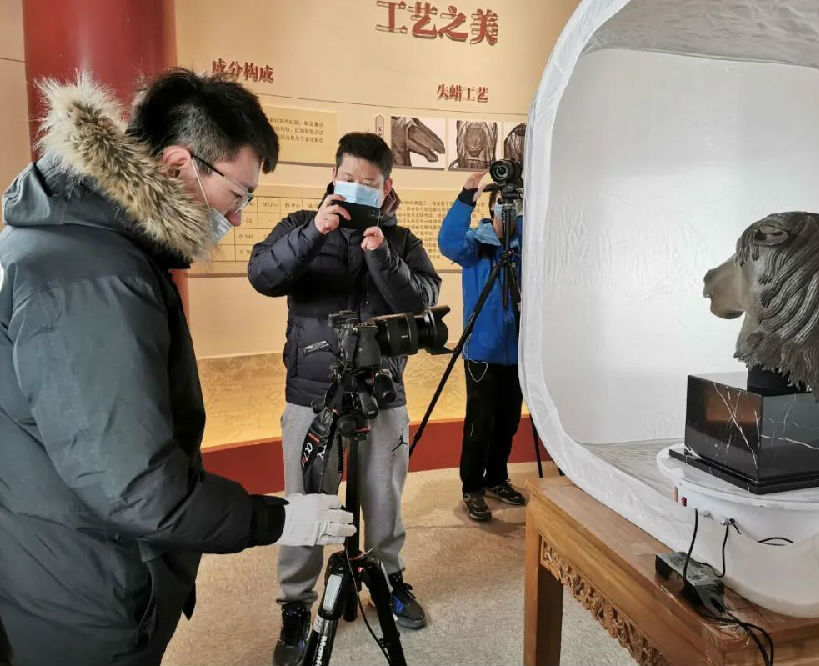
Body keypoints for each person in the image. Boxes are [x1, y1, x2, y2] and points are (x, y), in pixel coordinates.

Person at [0, 70, 354, 666]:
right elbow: (136, 489)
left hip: (54, 554)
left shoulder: (70, 242)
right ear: (176, 166)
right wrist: (277, 518)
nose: (237, 218)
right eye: (238, 195)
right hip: (83, 594)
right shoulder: (94, 276)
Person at [248, 132, 441, 665]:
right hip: (311, 394)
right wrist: (315, 232)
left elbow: (423, 301)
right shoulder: (299, 225)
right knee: (305, 502)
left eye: (368, 183)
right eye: (348, 179)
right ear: (333, 177)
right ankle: (295, 606)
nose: (356, 188)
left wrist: (380, 254)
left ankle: (389, 579)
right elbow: (262, 275)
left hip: (383, 392)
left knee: (385, 496)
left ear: (386, 188)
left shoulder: (401, 241)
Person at [437, 172, 527, 522]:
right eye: (502, 203)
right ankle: (472, 487)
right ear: (491, 210)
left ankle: (497, 478)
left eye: (514, 203)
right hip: (482, 353)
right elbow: (448, 242)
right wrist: (466, 198)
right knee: (480, 423)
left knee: (508, 422)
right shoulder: (476, 244)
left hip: (517, 352)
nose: (509, 209)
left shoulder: (527, 246)